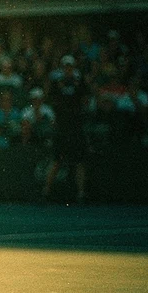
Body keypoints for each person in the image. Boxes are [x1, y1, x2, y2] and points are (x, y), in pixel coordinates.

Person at [44, 55, 88, 201]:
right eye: (65, 67)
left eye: (70, 66)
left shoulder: (79, 82)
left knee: (79, 162)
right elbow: (50, 98)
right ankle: (46, 191)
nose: (68, 69)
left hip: (75, 128)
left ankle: (81, 193)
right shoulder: (56, 83)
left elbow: (84, 99)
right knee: (56, 160)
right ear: (62, 68)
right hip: (62, 128)